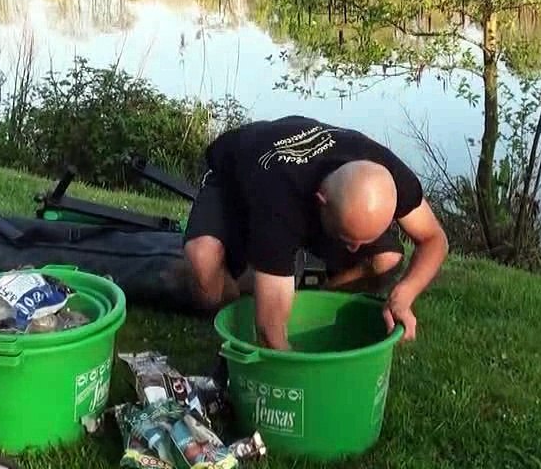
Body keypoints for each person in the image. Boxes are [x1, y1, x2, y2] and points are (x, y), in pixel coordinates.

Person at [183, 115, 449, 350]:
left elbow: (434, 239)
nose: (354, 250)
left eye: (363, 240)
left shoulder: (389, 172)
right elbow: (269, 333)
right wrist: (302, 372)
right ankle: (240, 301)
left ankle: (310, 291)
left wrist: (405, 293)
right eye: (349, 240)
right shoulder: (278, 200)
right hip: (235, 177)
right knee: (204, 263)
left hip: (317, 196)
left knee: (386, 259)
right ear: (321, 202)